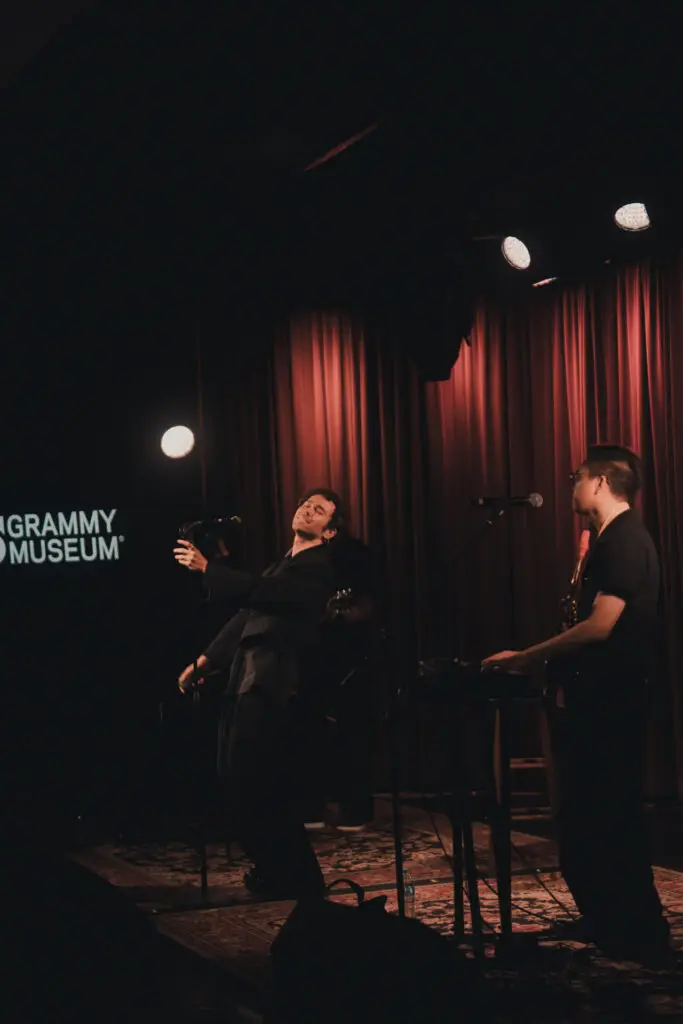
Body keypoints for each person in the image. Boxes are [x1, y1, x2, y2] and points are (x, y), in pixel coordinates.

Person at [482, 444, 671, 964]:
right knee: (587, 816)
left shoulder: (625, 540)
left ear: (601, 482)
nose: (572, 487)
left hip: (612, 702)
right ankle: (605, 918)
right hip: (594, 699)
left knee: (611, 815)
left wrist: (527, 656)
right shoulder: (607, 541)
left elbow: (600, 626)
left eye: (577, 477)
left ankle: (639, 931)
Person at [174, 489, 342, 901]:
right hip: (247, 677)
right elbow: (246, 616)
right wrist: (204, 662)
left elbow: (266, 594)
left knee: (257, 781)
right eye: (306, 504)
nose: (308, 510)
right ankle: (275, 870)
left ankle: (297, 877)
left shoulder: (318, 567)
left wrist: (209, 568)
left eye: (319, 510)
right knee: (236, 777)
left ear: (329, 531)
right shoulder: (282, 564)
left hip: (274, 683)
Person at [297, 532, 377, 832]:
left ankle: (354, 808)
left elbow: (365, 606)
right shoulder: (297, 559)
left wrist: (340, 612)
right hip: (311, 653)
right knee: (308, 728)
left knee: (352, 730)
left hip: (350, 655)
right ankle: (312, 804)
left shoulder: (350, 552)